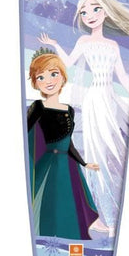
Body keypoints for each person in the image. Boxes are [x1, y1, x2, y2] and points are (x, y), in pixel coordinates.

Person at [38, 0, 129, 236]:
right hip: (95, 100)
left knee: (113, 153)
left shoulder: (113, 45)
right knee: (97, 154)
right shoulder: (84, 42)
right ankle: (104, 216)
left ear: (106, 11)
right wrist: (55, 45)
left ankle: (111, 215)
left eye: (95, 9)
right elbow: (68, 63)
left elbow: (123, 77)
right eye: (84, 12)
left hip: (110, 100)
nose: (90, 15)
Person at [27, 48, 100, 240]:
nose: (48, 81)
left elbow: (69, 143)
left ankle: (69, 239)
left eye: (53, 74)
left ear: (62, 76)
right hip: (48, 164)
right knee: (48, 203)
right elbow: (24, 134)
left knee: (70, 204)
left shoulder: (69, 110)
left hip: (68, 166)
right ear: (35, 82)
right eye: (40, 77)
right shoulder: (38, 107)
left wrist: (84, 163)